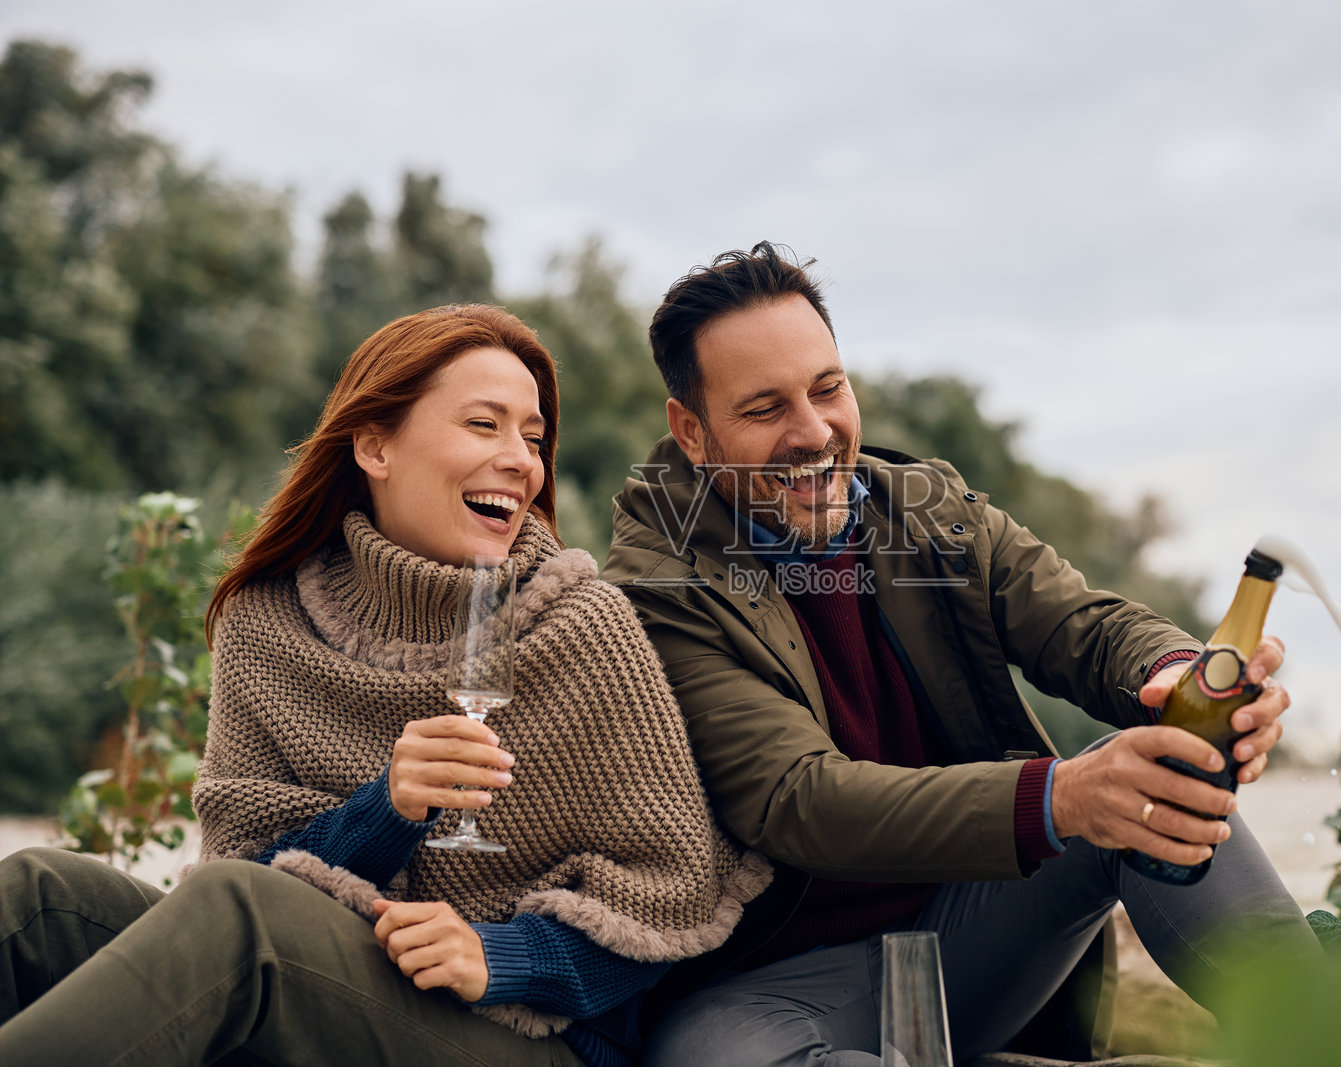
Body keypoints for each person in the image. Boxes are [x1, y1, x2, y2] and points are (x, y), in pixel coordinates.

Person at [602, 243, 1321, 1066]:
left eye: (828, 388)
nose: (813, 432)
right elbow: (799, 799)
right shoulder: (657, 591)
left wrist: (1174, 673)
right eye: (764, 409)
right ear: (691, 431)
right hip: (766, 990)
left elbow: (1081, 623)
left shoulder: (928, 511)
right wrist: (1058, 798)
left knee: (1158, 786)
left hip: (967, 940)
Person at [0, 304, 770, 1067]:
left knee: (246, 915)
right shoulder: (265, 621)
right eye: (484, 424)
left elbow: (675, 901)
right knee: (37, 893)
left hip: (528, 1037)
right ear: (375, 444)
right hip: (332, 977)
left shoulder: (581, 626)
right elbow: (244, 857)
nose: (521, 460)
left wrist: (498, 954)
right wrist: (385, 810)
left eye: (533, 438)